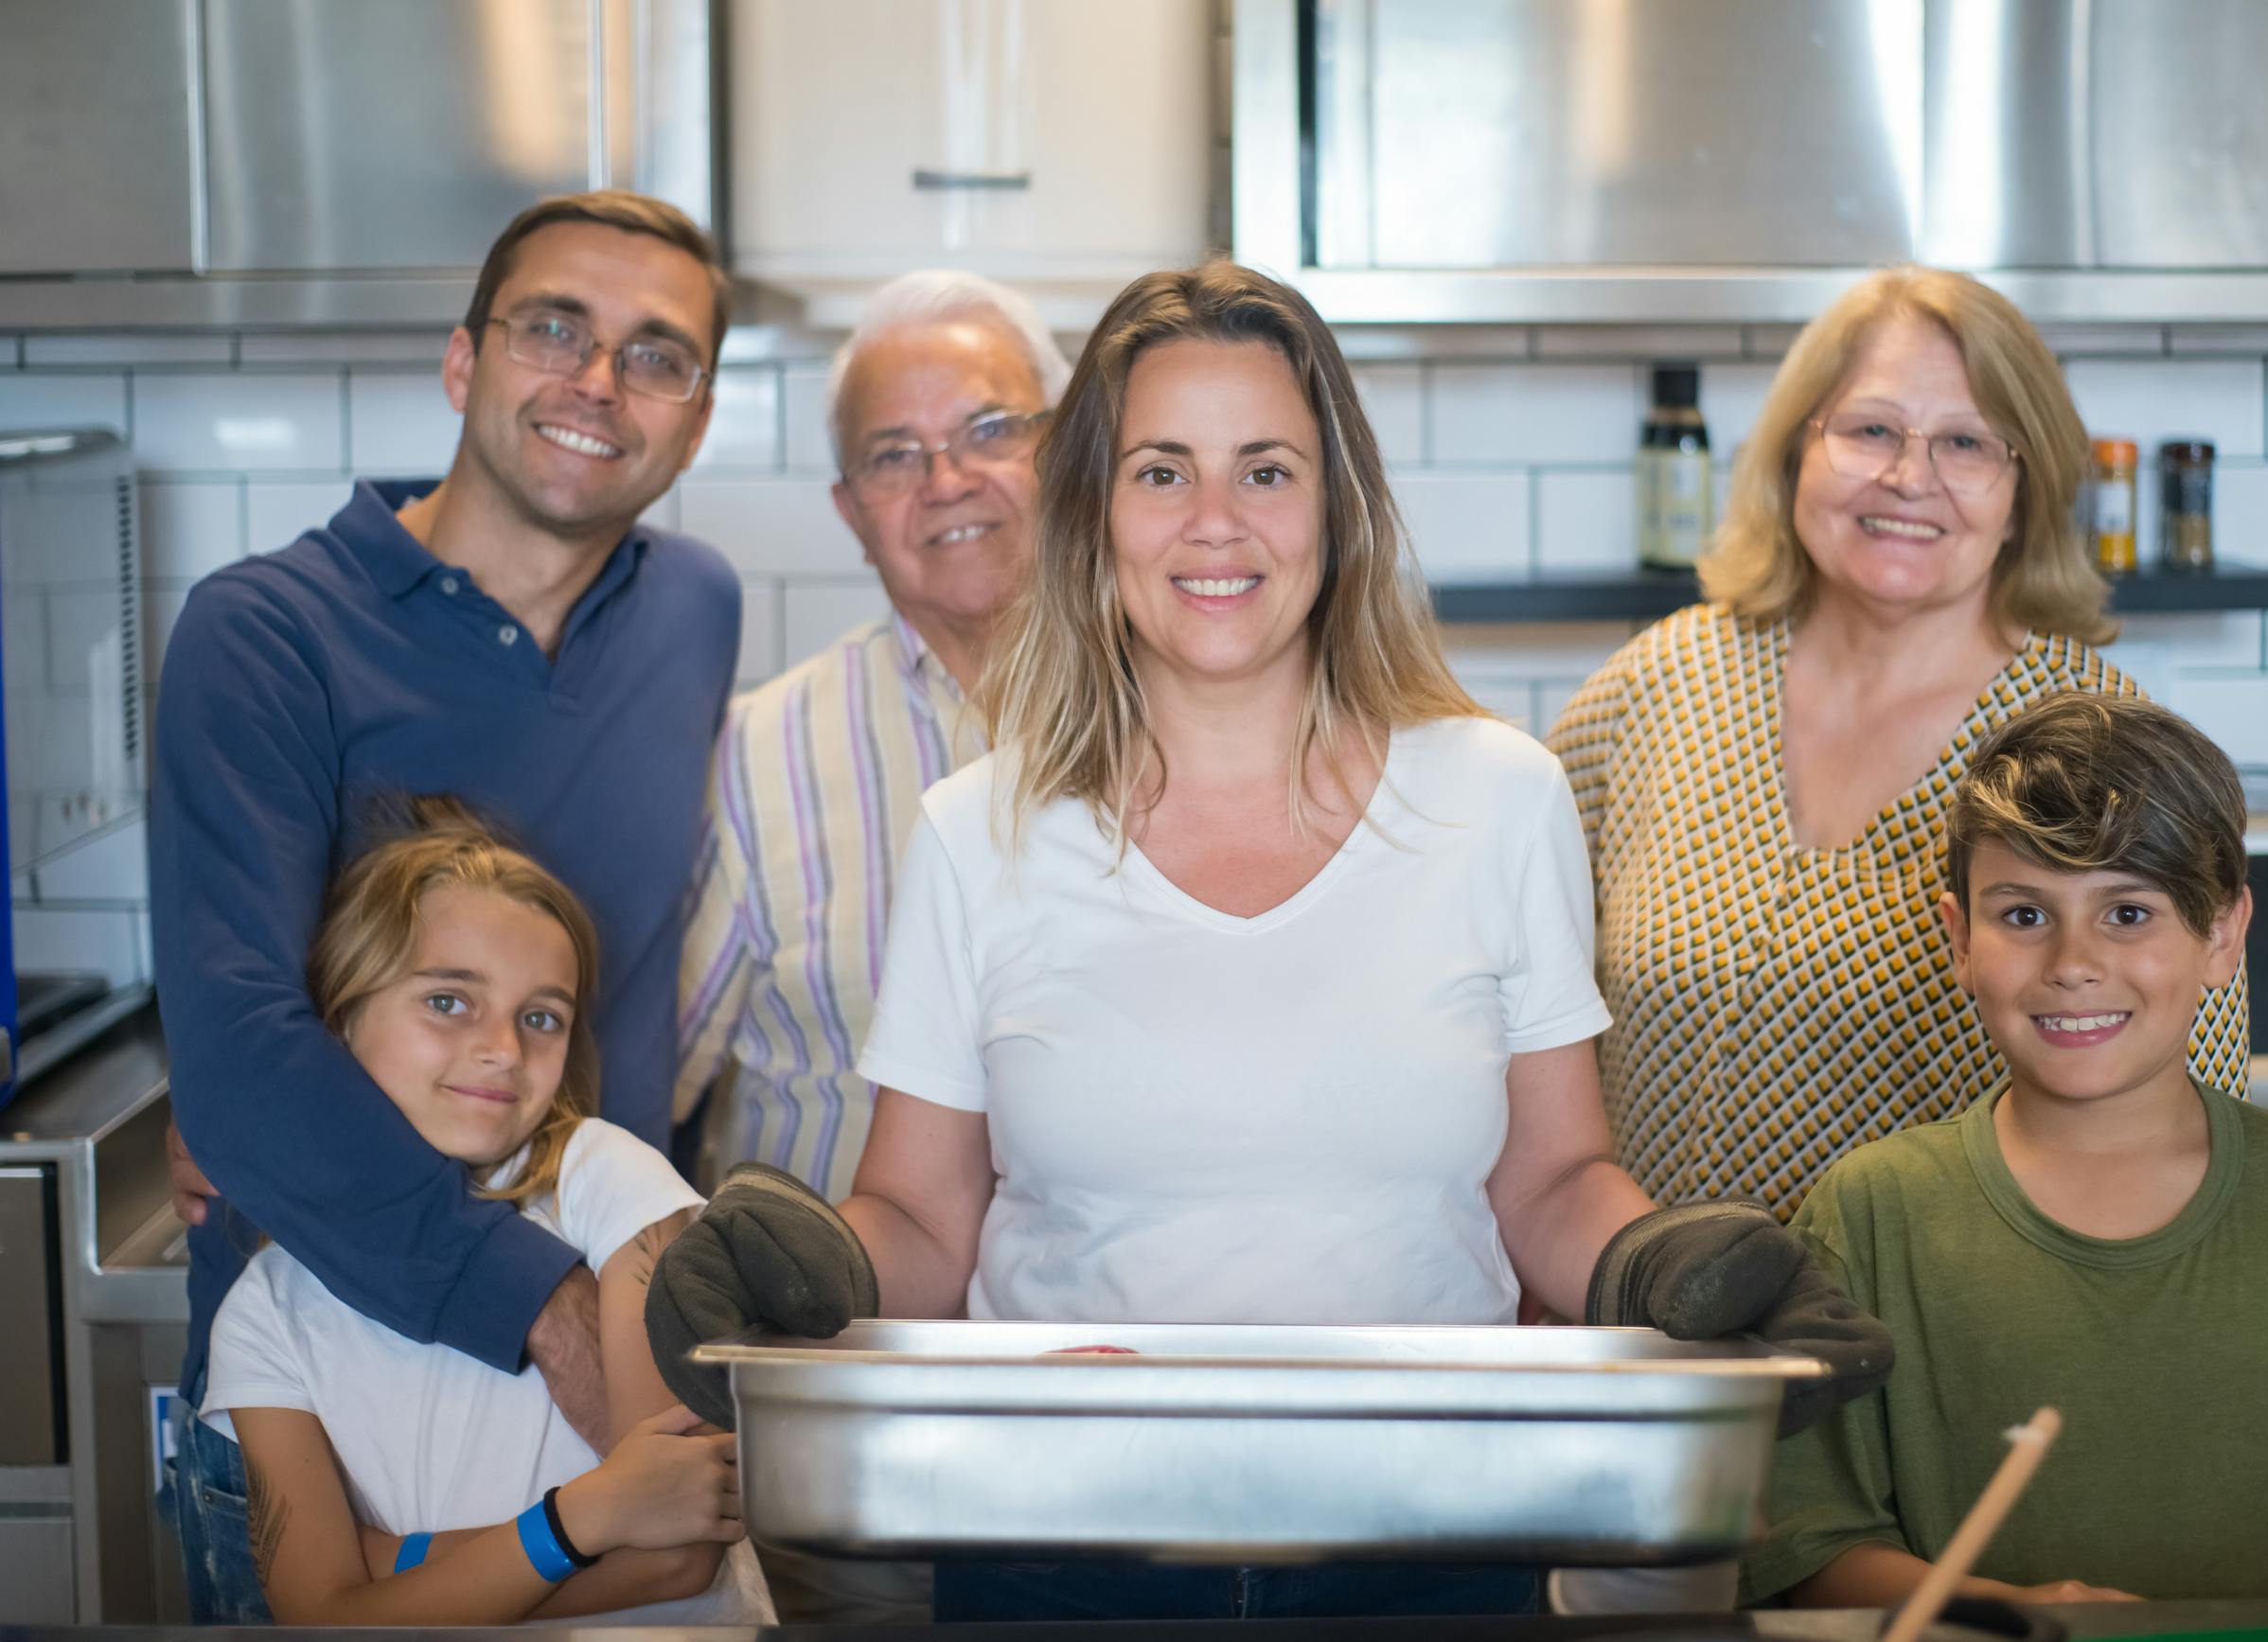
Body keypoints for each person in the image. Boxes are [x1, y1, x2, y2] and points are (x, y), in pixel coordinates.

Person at [644, 261, 1892, 1625]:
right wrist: (808, 1274)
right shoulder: (977, 833)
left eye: (1268, 470)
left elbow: (1551, 1179)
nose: (1217, 522)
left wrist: (1667, 1269)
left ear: (1336, 508)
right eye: (1162, 471)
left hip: (1431, 1529)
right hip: (1054, 1540)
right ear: (1095, 517)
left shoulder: (1495, 798)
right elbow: (925, 1217)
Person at [151, 190, 739, 1621]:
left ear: (699, 416)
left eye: (657, 355)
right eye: (556, 329)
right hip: (341, 1410)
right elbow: (239, 1048)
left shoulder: (693, 610)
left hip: (607, 1408)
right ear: (465, 362)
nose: (600, 383)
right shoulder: (267, 633)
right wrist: (546, 1311)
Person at [1548, 265, 2248, 1227]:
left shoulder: (2091, 741)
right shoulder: (1651, 689)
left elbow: (2186, 1116)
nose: (1907, 477)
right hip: (1648, 1320)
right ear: (1798, 447)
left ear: (2023, 487)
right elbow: (1524, 1021)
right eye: (1869, 429)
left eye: (1963, 442)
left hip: (1952, 1347)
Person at [1737, 692, 2268, 1605]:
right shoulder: (1869, 1213)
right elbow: (1809, 1547)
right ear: (1960, 940)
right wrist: (2014, 1617)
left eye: (2127, 913)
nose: (2073, 962)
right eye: (2026, 915)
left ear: (2222, 935)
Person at [201, 800, 772, 1623]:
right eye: (448, 1000)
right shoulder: (266, 1310)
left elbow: (680, 1549)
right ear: (341, 1016)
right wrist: (583, 1517)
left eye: (541, 1017)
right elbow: (321, 1615)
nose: (504, 1047)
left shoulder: (608, 1180)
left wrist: (400, 1569)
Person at [674, 271, 1067, 1201]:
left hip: (1111, 1331)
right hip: (829, 1330)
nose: (945, 481)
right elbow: (646, 1089)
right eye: (894, 455)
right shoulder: (752, 756)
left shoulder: (1189, 718)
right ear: (852, 513)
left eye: (989, 430)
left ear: (1066, 453)